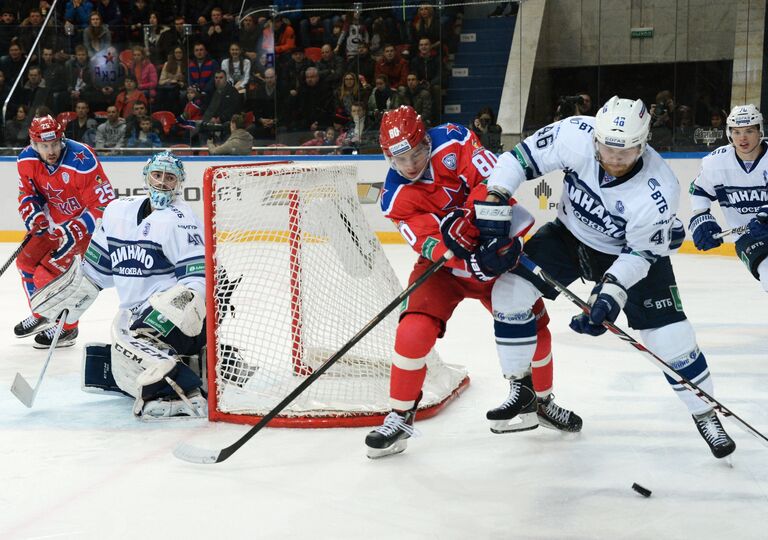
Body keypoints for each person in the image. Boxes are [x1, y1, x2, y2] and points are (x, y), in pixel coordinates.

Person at [471, 96, 734, 460]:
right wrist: (496, 199)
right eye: (606, 149)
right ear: (595, 137)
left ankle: (705, 413)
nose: (612, 160)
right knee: (509, 293)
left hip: (630, 253)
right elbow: (518, 160)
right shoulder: (575, 134)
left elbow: (639, 254)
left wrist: (610, 294)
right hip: (569, 235)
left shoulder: (659, 191)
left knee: (672, 339)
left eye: (623, 154)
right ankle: (522, 387)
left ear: (643, 146)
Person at [364, 106, 582, 459]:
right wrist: (455, 248)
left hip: (494, 249)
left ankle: (541, 402)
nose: (409, 166)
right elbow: (429, 244)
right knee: (412, 331)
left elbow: (493, 181)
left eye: (416, 153)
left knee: (535, 330)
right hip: (447, 269)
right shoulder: (394, 197)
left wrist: (477, 223)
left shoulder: (454, 139)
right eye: (398, 159)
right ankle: (400, 416)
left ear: (426, 141)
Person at [31, 151, 208, 420]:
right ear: (146, 176)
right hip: (133, 315)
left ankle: (185, 389)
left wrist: (175, 310)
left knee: (132, 342)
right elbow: (96, 272)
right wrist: (73, 298)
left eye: (170, 178)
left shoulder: (182, 221)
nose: (161, 183)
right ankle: (190, 369)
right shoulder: (117, 211)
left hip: (174, 320)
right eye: (157, 175)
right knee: (108, 364)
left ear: (179, 183)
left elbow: (197, 280)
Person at [14, 115, 116, 348]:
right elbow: (27, 195)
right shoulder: (26, 160)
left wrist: (76, 227)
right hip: (53, 224)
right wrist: (35, 215)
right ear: (34, 145)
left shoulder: (82, 158)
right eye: (44, 146)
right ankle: (42, 314)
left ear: (61, 139)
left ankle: (67, 329)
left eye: (54, 144)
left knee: (48, 274)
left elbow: (104, 205)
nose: (50, 151)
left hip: (84, 230)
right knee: (25, 262)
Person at [689, 104, 768, 292]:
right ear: (729, 133)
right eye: (737, 132)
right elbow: (699, 190)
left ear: (760, 131)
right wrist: (701, 218)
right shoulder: (716, 162)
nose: (743, 138)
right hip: (748, 237)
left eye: (749, 130)